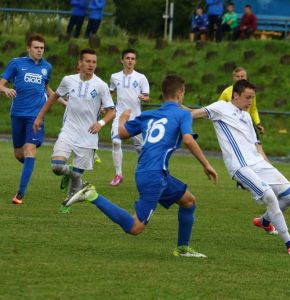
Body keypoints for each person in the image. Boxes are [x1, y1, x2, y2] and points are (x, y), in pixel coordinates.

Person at [63, 75, 218, 258]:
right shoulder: (182, 113)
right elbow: (188, 139)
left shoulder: (148, 115)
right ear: (179, 93)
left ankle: (183, 249)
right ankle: (92, 194)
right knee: (135, 227)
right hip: (154, 176)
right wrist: (206, 164)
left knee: (188, 201)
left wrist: (123, 118)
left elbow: (121, 133)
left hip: (152, 171)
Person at [191, 79, 290, 255]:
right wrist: (174, 107)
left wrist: (267, 165)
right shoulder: (221, 107)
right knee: (269, 196)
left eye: (253, 98)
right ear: (235, 95)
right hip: (239, 166)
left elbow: (256, 144)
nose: (251, 101)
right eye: (248, 97)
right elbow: (193, 114)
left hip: (257, 162)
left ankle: (265, 221)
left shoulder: (247, 115)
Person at [33, 49, 115, 212]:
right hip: (68, 131)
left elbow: (112, 111)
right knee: (57, 166)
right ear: (80, 63)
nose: (91, 65)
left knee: (77, 176)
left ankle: (67, 204)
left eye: (94, 62)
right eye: (88, 61)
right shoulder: (68, 80)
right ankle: (67, 171)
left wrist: (100, 123)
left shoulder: (101, 85)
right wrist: (39, 116)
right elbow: (54, 97)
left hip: (88, 136)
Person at [0, 33, 52, 205]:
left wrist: (64, 101)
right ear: (28, 48)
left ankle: (20, 194)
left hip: (36, 116)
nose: (39, 51)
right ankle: (29, 164)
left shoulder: (47, 67)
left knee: (30, 149)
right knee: (19, 154)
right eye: (36, 47)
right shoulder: (16, 63)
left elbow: (47, 89)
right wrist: (5, 90)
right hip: (17, 115)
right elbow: (1, 83)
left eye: (42, 48)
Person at [109, 49, 150, 186]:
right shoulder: (114, 77)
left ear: (135, 61)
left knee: (141, 149)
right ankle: (118, 174)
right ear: (122, 60)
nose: (130, 60)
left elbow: (147, 97)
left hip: (136, 118)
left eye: (132, 58)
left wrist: (144, 98)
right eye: (127, 58)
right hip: (119, 115)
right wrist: (106, 105)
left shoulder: (141, 77)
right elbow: (110, 93)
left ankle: (147, 172)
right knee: (116, 142)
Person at [219, 67, 264, 134]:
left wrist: (258, 123)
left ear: (246, 77)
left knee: (256, 144)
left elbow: (253, 109)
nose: (240, 78)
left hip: (247, 123)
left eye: (242, 76)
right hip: (233, 125)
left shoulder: (250, 91)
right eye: (237, 76)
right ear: (233, 78)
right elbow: (219, 107)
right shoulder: (226, 92)